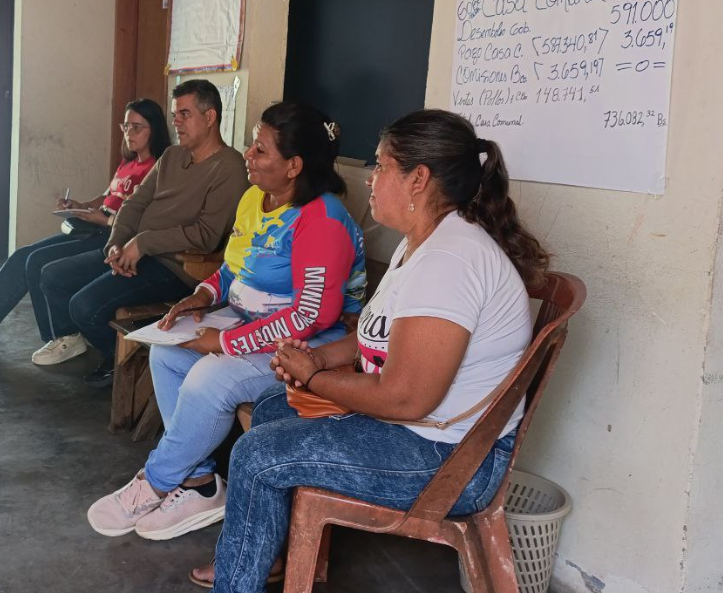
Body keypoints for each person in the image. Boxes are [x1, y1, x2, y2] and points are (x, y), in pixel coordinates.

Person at [189, 109, 550, 591]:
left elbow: (405, 399)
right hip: (426, 435)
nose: (372, 180)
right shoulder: (423, 241)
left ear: (418, 179)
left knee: (256, 454)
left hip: (449, 459)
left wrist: (317, 380)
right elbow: (375, 338)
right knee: (276, 408)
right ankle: (265, 550)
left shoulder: (450, 261)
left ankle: (237, 581)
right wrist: (317, 359)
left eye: (381, 167)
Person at [87, 101, 367, 541]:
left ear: (294, 165)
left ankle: (156, 482)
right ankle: (199, 483)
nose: (248, 154)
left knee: (209, 379)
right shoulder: (257, 198)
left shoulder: (322, 219)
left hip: (305, 349)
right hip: (243, 321)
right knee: (167, 352)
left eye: (260, 149)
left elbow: (312, 314)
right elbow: (234, 266)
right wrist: (201, 295)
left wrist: (228, 342)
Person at [0, 98, 171, 363]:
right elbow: (108, 197)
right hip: (92, 229)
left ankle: (64, 337)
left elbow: (142, 218)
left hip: (114, 238)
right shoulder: (128, 162)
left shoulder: (159, 167)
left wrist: (104, 219)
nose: (129, 133)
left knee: (38, 262)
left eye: (137, 128)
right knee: (22, 256)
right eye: (125, 126)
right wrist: (81, 206)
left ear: (154, 129)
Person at [48, 78, 249, 387]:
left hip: (177, 268)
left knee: (84, 306)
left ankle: (129, 369)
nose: (176, 122)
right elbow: (133, 204)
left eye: (185, 114)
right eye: (174, 115)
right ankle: (115, 356)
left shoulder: (230, 166)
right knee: (55, 276)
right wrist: (115, 245)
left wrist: (143, 242)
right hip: (135, 253)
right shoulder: (171, 156)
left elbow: (206, 235)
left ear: (210, 118)